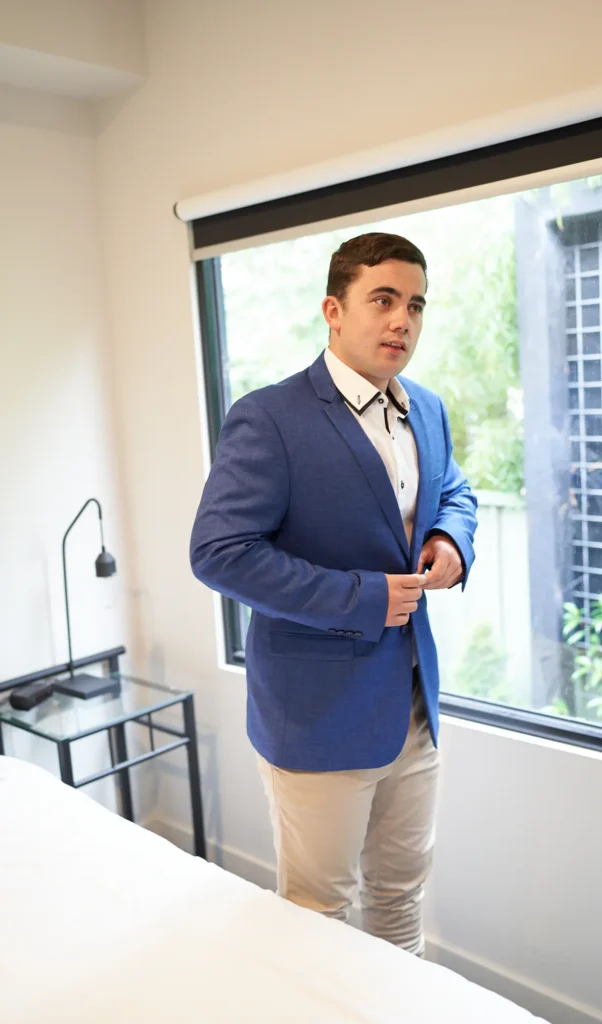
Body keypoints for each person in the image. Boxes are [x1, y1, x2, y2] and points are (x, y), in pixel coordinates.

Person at [190, 231, 478, 956]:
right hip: (316, 717)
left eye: (416, 304)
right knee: (318, 915)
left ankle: (396, 1007)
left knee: (401, 893)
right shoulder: (271, 417)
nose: (402, 320)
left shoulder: (427, 409)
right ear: (334, 310)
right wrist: (363, 599)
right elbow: (219, 553)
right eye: (383, 299)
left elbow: (455, 490)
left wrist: (451, 538)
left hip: (414, 706)